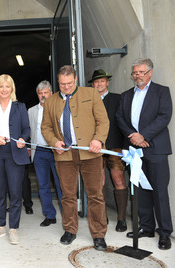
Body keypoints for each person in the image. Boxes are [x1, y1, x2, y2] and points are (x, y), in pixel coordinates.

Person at [41, 65, 109, 251]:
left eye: (69, 83)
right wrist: (54, 142)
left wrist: (98, 139)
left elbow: (103, 121)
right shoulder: (51, 101)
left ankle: (98, 234)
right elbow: (45, 127)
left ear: (76, 80)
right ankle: (70, 230)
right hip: (64, 156)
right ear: (58, 82)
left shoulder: (92, 94)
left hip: (91, 153)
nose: (66, 87)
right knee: (68, 195)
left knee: (95, 195)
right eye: (62, 84)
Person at [116, 58, 173, 250]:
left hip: (155, 148)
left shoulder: (161, 91)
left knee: (159, 191)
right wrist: (134, 136)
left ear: (150, 72)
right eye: (135, 73)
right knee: (140, 190)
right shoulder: (125, 95)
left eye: (141, 72)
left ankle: (164, 233)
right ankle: (147, 227)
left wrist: (144, 136)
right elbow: (120, 118)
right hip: (135, 150)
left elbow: (164, 116)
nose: (137, 75)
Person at [0, 74, 30, 245]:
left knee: (16, 193)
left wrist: (23, 139)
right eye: (1, 86)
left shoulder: (20, 107)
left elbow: (26, 128)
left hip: (15, 154)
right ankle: (0, 226)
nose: (4, 90)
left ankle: (13, 229)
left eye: (7, 87)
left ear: (12, 89)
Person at [89, 69, 128, 232]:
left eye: (102, 81)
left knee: (118, 178)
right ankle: (101, 215)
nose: (99, 84)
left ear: (107, 82)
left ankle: (121, 218)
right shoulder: (88, 100)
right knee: (100, 181)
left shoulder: (118, 99)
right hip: (95, 146)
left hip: (115, 145)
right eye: (96, 81)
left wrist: (126, 146)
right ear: (92, 84)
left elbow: (124, 121)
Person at [28, 80, 62, 227]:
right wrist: (28, 147)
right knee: (43, 185)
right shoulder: (31, 111)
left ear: (52, 93)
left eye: (46, 93)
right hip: (39, 151)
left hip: (56, 152)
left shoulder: (59, 107)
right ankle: (49, 215)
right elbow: (29, 131)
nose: (43, 96)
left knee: (61, 185)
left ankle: (67, 215)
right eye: (40, 93)